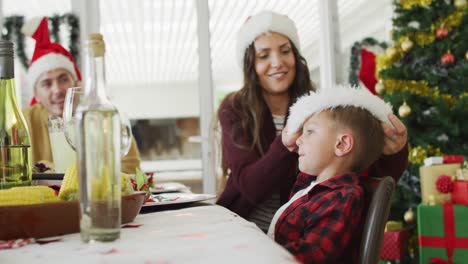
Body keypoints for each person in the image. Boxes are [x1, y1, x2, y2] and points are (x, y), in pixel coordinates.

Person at [216, 10, 408, 233]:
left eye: (285, 51)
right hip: (243, 230)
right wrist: (284, 145)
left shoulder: (319, 106)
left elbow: (359, 167)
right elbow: (252, 187)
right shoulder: (235, 109)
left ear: (296, 57)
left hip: (303, 230)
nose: (277, 62)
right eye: (264, 55)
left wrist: (395, 152)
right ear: (250, 64)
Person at [267, 85, 392, 263]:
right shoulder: (311, 186)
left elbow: (313, 255)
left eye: (309, 131)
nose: (299, 140)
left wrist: (258, 254)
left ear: (341, 145)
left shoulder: (343, 197)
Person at [21, 17, 140, 173]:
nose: (57, 90)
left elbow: (130, 168)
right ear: (36, 94)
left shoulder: (104, 116)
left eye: (63, 79)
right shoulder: (23, 122)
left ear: (77, 83)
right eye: (46, 83)